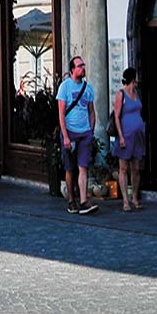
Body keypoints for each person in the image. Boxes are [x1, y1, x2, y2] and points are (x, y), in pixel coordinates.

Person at [57, 55, 98, 215]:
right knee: (69, 168)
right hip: (70, 132)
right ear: (73, 69)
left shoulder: (88, 88)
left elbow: (91, 111)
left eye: (83, 65)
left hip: (84, 133)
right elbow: (61, 113)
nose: (83, 68)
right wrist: (65, 136)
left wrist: (91, 130)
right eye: (80, 66)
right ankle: (71, 200)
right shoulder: (65, 87)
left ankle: (83, 201)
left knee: (83, 167)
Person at [112, 67, 146, 212]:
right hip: (125, 136)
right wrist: (120, 136)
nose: (137, 80)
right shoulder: (121, 94)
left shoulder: (136, 94)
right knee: (123, 168)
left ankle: (135, 197)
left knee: (136, 168)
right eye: (136, 78)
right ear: (133, 78)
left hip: (137, 136)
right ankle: (125, 200)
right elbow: (116, 116)